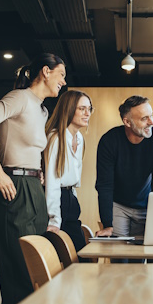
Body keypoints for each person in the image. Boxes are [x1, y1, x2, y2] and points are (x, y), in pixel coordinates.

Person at [0, 53, 66, 304]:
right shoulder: (19, 97)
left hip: (34, 188)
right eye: (61, 75)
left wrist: (37, 172)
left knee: (37, 271)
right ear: (46, 71)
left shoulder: (43, 110)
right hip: (15, 188)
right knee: (19, 274)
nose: (63, 82)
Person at [95, 95, 153, 237]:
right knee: (119, 254)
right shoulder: (109, 141)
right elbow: (104, 185)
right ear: (127, 122)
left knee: (147, 252)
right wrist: (107, 224)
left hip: (148, 204)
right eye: (144, 118)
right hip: (119, 205)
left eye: (151, 116)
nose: (151, 122)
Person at [44, 90, 94, 252]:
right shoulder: (55, 138)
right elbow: (52, 182)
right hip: (56, 201)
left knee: (79, 253)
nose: (87, 113)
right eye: (82, 109)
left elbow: (74, 177)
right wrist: (54, 219)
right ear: (69, 109)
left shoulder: (79, 138)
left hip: (70, 199)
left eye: (89, 109)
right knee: (64, 256)